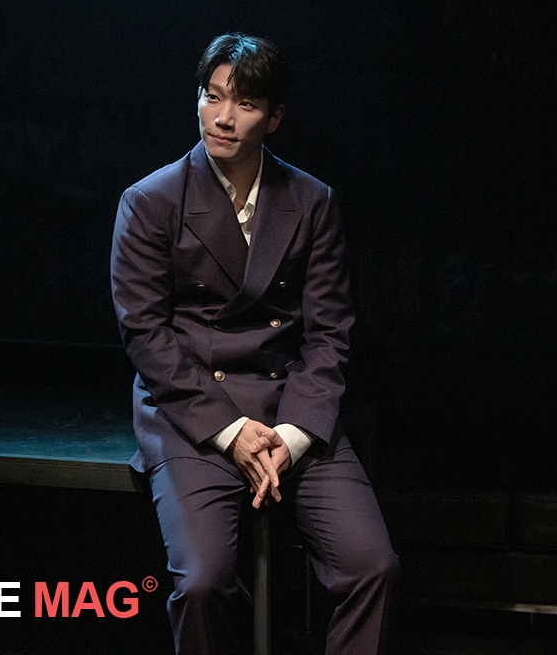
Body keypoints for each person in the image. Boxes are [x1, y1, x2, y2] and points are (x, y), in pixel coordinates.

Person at [110, 33, 398, 654]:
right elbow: (146, 335)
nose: (222, 116)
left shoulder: (312, 201)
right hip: (192, 412)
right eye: (211, 96)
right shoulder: (151, 201)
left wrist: (290, 436)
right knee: (203, 582)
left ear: (273, 117)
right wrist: (230, 431)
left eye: (243, 103)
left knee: (372, 566)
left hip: (290, 406)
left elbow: (330, 333)